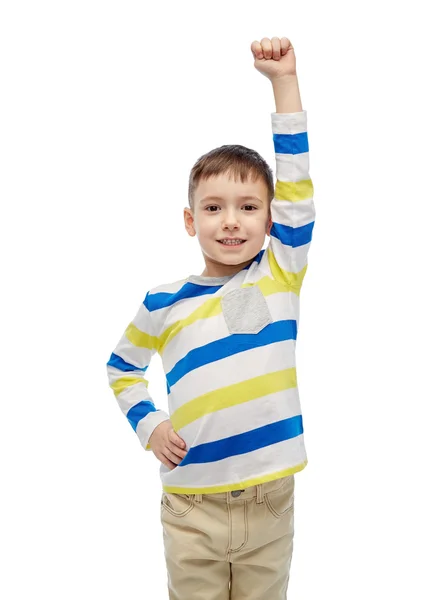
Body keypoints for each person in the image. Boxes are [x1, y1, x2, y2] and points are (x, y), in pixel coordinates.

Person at [106, 35, 315, 600]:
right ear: (188, 218)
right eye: (213, 207)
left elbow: (297, 188)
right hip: (190, 506)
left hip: (268, 502)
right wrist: (150, 425)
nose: (230, 222)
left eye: (249, 208)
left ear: (271, 220)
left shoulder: (277, 275)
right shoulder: (162, 302)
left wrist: (283, 83)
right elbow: (121, 368)